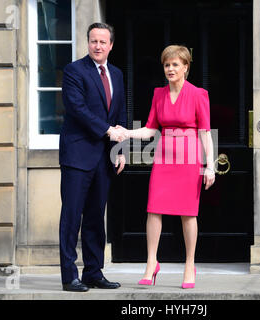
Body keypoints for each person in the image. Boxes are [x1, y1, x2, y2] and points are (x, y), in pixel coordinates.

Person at [117, 45, 215, 288]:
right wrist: (127, 132)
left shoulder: (198, 94)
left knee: (188, 212)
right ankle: (151, 263)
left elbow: (205, 133)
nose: (170, 69)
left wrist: (209, 166)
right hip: (163, 156)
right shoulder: (158, 94)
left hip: (189, 157)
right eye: (166, 65)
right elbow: (151, 128)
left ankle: (190, 265)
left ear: (185, 68)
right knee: (154, 209)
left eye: (175, 64)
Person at [59, 22, 127, 292]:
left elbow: (119, 112)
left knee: (96, 218)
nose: (97, 46)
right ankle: (69, 276)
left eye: (103, 42)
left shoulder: (117, 74)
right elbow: (77, 109)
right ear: (88, 43)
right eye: (93, 41)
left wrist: (119, 150)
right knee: (72, 217)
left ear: (111, 45)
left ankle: (93, 272)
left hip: (104, 158)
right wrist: (107, 130)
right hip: (77, 155)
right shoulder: (74, 70)